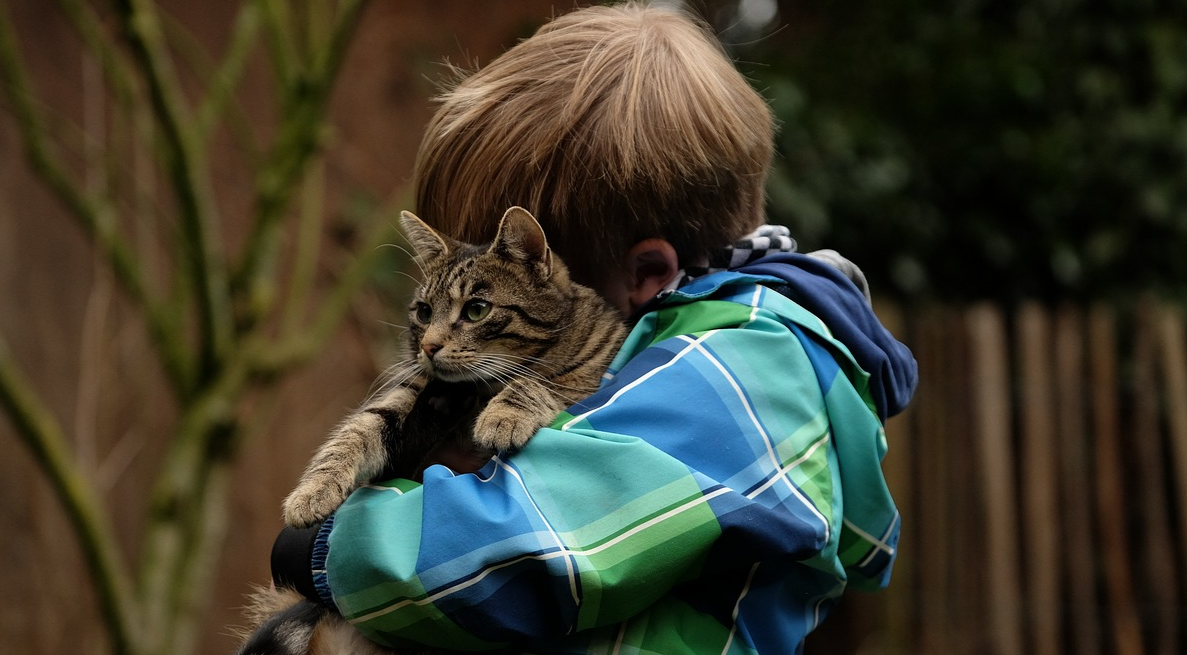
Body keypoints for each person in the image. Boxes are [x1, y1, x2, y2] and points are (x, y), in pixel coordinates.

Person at [269, 3, 917, 653]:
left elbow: (532, 546)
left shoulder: (748, 365)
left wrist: (328, 549)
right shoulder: (712, 353)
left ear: (647, 275)